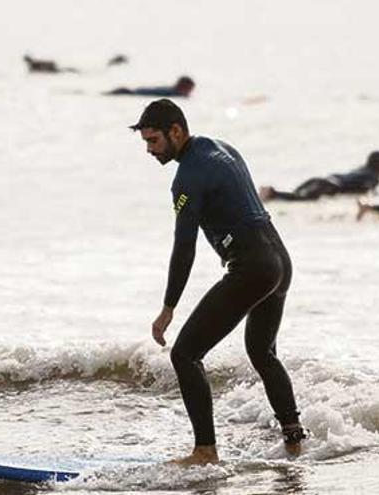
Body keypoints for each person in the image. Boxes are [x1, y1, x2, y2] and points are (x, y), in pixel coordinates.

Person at [131, 99, 305, 465]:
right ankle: (294, 441)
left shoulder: (187, 178)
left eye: (154, 141)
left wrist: (168, 308)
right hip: (279, 261)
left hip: (253, 268)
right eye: (146, 141)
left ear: (176, 131)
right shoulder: (222, 148)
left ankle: (205, 451)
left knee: (185, 354)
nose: (149, 150)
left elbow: (184, 248)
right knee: (262, 352)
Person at [258, 151, 379, 202]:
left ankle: (271, 194)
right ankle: (271, 192)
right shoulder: (373, 177)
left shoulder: (362, 169)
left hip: (323, 180)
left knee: (296, 196)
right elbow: (364, 191)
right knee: (302, 199)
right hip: (329, 186)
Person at [107, 76, 195, 97]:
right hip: (134, 93)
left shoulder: (172, 91)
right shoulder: (171, 93)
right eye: (189, 89)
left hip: (134, 92)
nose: (190, 91)